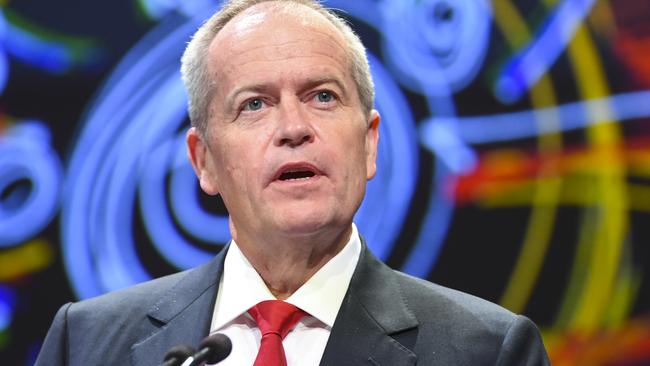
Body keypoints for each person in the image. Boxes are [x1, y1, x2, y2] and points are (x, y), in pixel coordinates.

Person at [35, 0, 550, 365]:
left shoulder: (486, 350)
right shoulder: (85, 342)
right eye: (253, 105)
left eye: (322, 96)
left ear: (369, 143)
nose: (293, 128)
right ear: (204, 161)